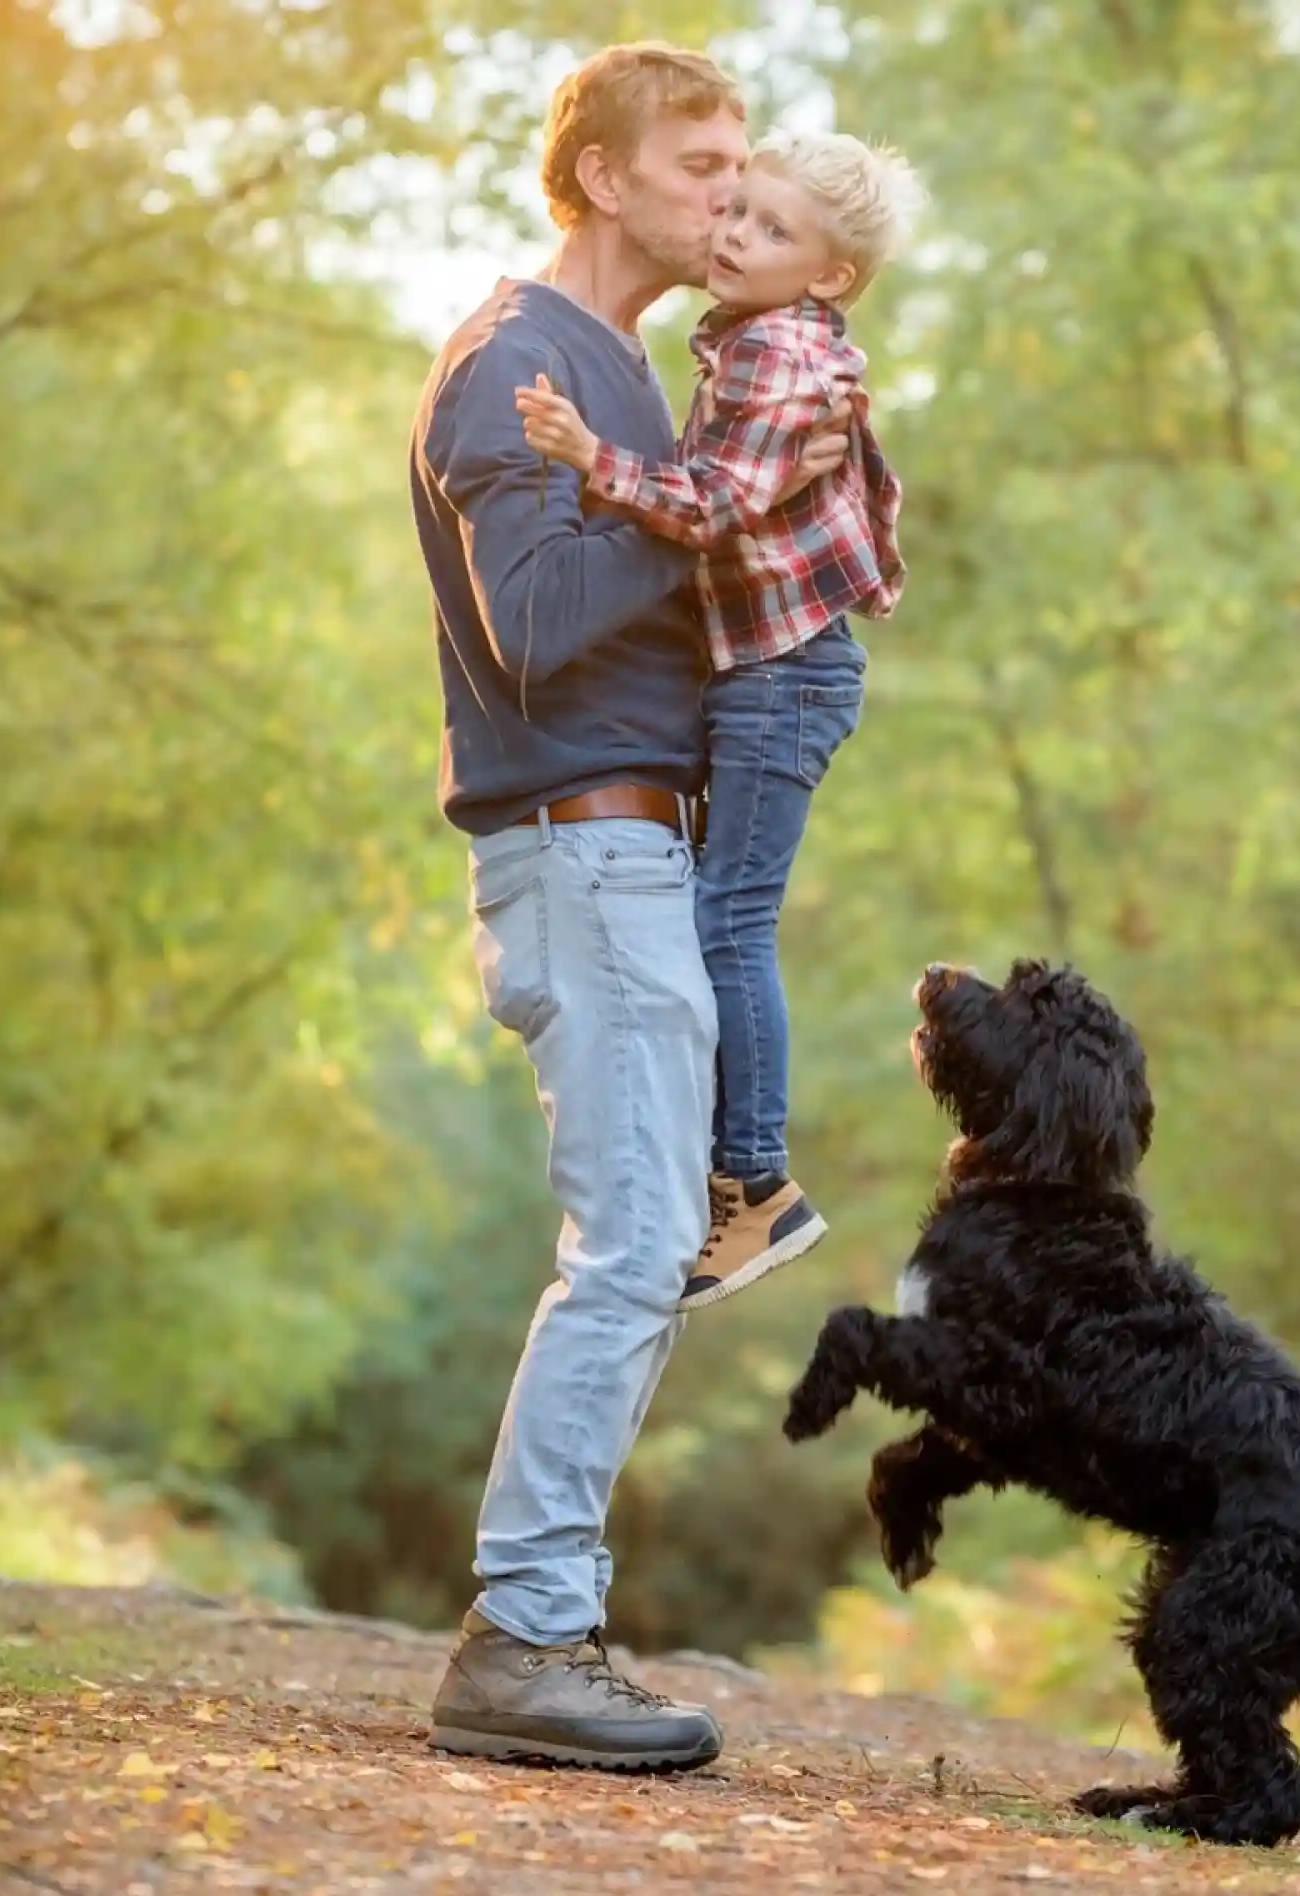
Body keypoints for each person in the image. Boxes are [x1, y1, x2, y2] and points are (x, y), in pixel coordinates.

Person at [404, 42, 849, 1771]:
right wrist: (711, 509)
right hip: (581, 850)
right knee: (635, 1247)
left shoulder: (627, 373)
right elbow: (533, 620)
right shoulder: (513, 363)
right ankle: (524, 1635)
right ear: (600, 178)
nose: (731, 196)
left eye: (745, 169)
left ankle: (538, 1623)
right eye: (701, 166)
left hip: (625, 851)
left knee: (648, 1242)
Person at [515, 128, 924, 1308]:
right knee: (719, 910)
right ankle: (734, 1172)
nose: (737, 236)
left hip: (786, 677)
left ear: (831, 275)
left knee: (731, 917)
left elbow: (709, 506)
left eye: (772, 229)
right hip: (768, 670)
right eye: (737, 211)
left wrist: (591, 457)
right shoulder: (768, 343)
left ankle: (754, 1185)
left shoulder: (779, 359)